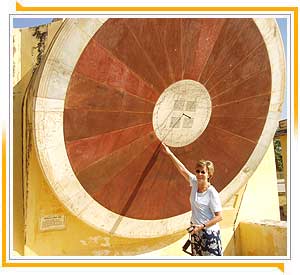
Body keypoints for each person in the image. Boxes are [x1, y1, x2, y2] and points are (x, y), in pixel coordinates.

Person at [162, 143, 223, 256]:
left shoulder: (211, 192)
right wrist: (170, 154)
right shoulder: (194, 182)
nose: (199, 174)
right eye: (197, 171)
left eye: (203, 172)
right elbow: (182, 169)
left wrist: (202, 226)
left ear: (209, 174)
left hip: (209, 233)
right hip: (195, 232)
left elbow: (219, 217)